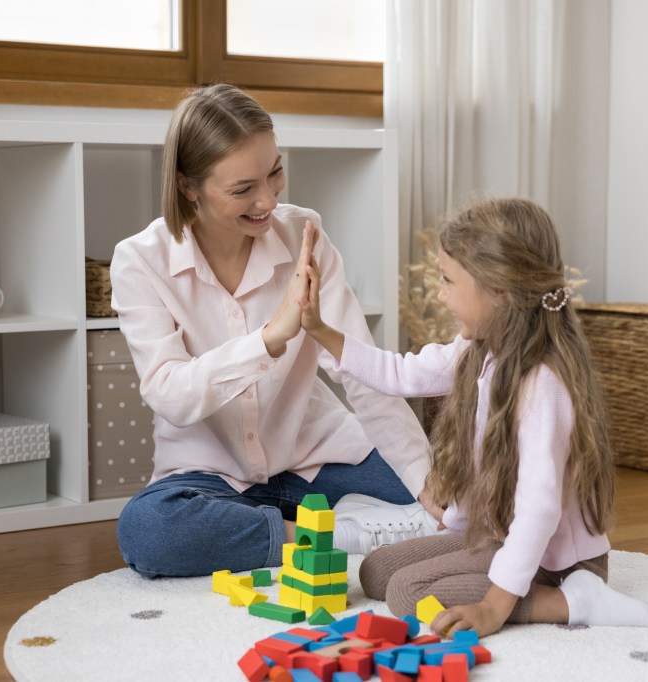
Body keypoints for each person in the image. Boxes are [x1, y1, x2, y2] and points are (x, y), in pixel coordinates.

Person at [299, 197, 648, 636]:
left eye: (448, 281)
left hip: (554, 560)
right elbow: (400, 374)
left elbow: (539, 509)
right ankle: (518, 581)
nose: (441, 295)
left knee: (408, 593)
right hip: (498, 536)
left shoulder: (543, 383)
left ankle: (572, 600)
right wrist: (319, 329)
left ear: (498, 290)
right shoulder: (477, 349)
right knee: (376, 571)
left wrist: (494, 608)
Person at [109, 83, 442, 579]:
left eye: (275, 172)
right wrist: (269, 338)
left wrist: (425, 481)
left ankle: (290, 531)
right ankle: (339, 535)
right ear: (188, 186)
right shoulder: (141, 260)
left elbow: (361, 370)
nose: (266, 199)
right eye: (243, 189)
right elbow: (170, 395)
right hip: (211, 478)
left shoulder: (304, 234)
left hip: (319, 458)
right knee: (151, 531)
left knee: (460, 502)